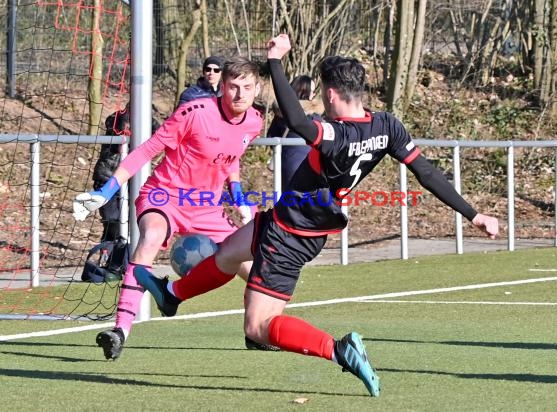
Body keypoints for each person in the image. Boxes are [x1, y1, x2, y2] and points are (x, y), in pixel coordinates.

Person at [134, 34, 499, 397]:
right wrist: (474, 214)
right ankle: (173, 295)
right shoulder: (387, 126)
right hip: (297, 220)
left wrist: (275, 61)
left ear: (330, 94)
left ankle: (339, 350)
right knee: (228, 254)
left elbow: (294, 117)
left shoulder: (334, 135)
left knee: (258, 327)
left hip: (290, 233)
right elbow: (428, 173)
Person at [73, 56, 263, 360]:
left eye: (247, 87)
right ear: (221, 88)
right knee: (149, 241)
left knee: (254, 268)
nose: (240, 94)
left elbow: (232, 157)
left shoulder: (255, 121)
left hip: (206, 207)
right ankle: (120, 331)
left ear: (257, 89)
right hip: (164, 196)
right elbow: (146, 150)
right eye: (233, 87)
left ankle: (257, 330)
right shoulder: (194, 113)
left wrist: (238, 197)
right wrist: (107, 191)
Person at [94, 103, 161, 260]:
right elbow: (119, 143)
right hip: (108, 178)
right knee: (112, 220)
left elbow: (159, 142)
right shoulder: (116, 120)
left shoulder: (150, 124)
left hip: (133, 180)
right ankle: (111, 253)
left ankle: (117, 257)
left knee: (132, 221)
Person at [267, 75, 320, 188]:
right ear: (306, 93)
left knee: (286, 201)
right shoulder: (314, 118)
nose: (314, 95)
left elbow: (271, 138)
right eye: (313, 91)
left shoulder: (280, 115)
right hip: (309, 167)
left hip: (285, 166)